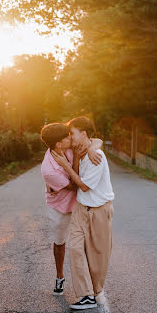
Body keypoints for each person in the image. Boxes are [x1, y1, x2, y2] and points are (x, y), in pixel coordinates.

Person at [52, 116, 114, 310]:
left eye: (73, 133)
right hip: (80, 208)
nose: (70, 137)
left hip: (99, 209)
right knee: (76, 249)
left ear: (84, 134)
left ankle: (95, 291)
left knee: (97, 255)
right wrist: (78, 157)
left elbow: (84, 186)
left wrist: (66, 166)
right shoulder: (80, 149)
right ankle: (85, 295)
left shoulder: (98, 156)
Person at [40, 122, 102, 296]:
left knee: (82, 242)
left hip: (78, 202)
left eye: (69, 134)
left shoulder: (69, 147)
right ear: (58, 144)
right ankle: (60, 276)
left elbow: (96, 140)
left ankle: (90, 283)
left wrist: (90, 150)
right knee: (60, 242)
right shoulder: (48, 170)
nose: (70, 137)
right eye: (67, 136)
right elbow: (74, 186)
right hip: (59, 206)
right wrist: (75, 158)